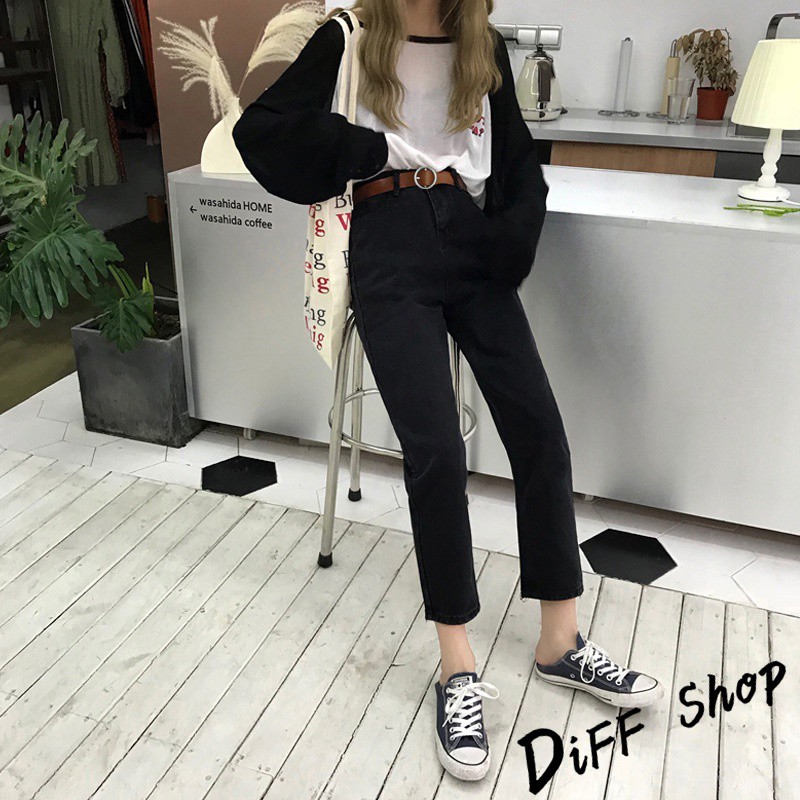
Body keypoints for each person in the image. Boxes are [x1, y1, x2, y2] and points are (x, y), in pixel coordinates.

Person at [232, 0, 664, 783]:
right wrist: (365, 147)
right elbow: (261, 130)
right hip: (387, 237)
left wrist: (509, 242)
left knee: (539, 430)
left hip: (470, 236)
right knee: (435, 448)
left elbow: (520, 164)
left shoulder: (480, 43)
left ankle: (559, 641)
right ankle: (456, 666)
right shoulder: (349, 35)